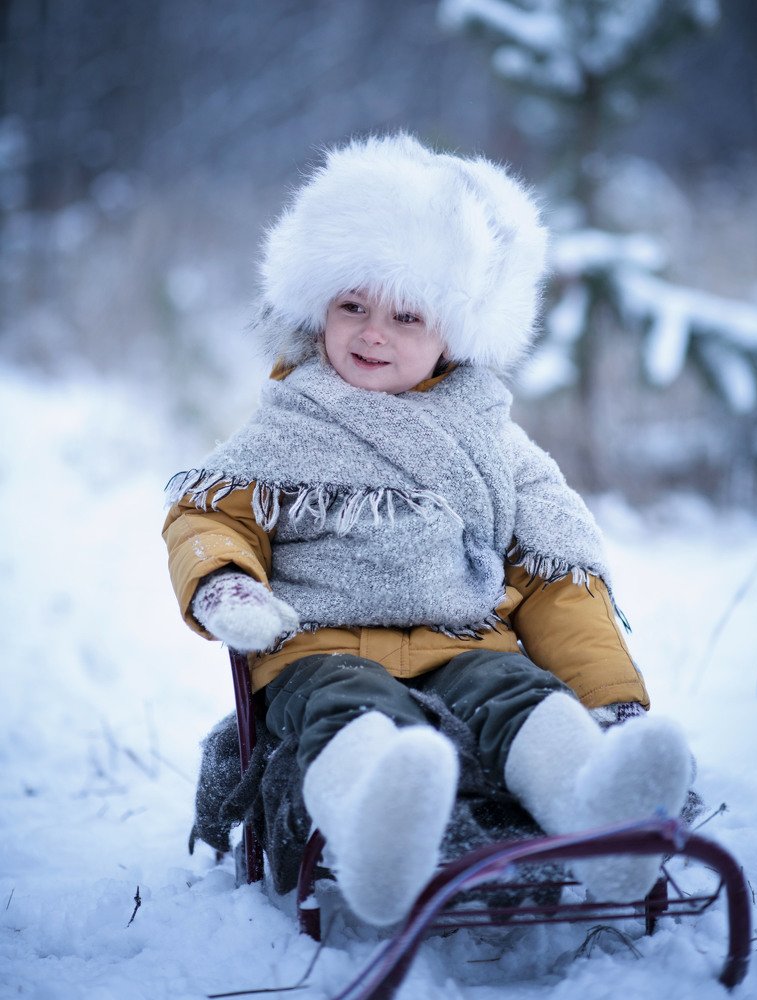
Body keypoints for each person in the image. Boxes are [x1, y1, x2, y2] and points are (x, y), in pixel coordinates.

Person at [163, 133, 691, 927]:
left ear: (456, 332)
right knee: (350, 711)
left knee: (522, 696)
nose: (372, 332)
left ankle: (598, 808)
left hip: (467, 640)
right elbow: (210, 512)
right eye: (352, 306)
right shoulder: (292, 419)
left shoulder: (493, 442)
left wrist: (611, 699)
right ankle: (379, 827)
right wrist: (225, 579)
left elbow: (557, 578)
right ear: (319, 307)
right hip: (320, 646)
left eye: (406, 314)